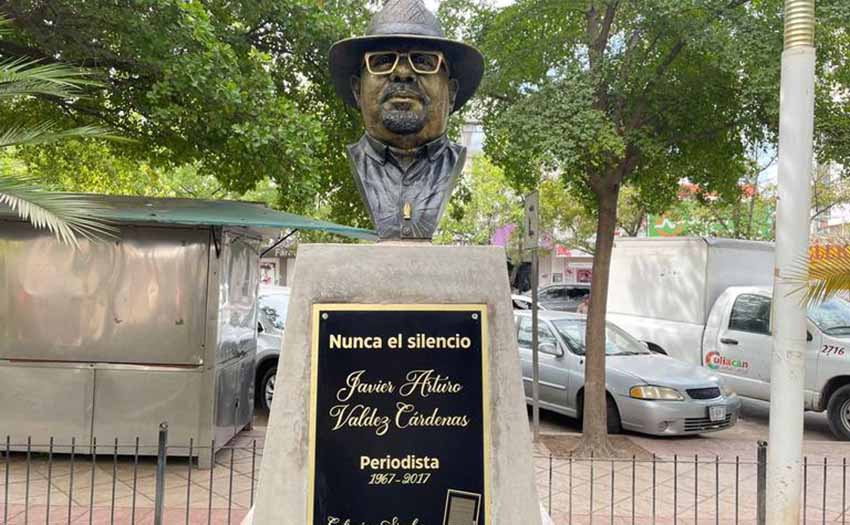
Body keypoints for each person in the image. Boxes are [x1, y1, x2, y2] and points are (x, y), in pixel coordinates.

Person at [329, 0, 484, 241]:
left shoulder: (453, 162)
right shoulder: (358, 162)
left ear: (451, 93)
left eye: (423, 60)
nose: (402, 72)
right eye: (382, 61)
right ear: (358, 90)